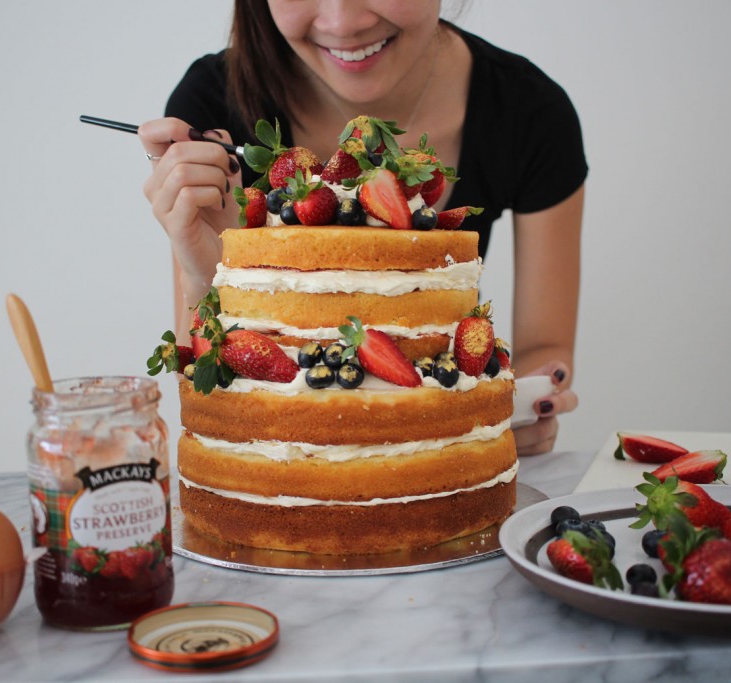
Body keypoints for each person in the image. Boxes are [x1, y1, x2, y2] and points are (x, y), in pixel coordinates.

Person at [139, 0, 586, 455]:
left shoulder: (530, 110)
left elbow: (543, 353)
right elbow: (207, 400)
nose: (343, 22)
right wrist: (209, 276)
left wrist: (521, 404)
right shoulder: (210, 110)